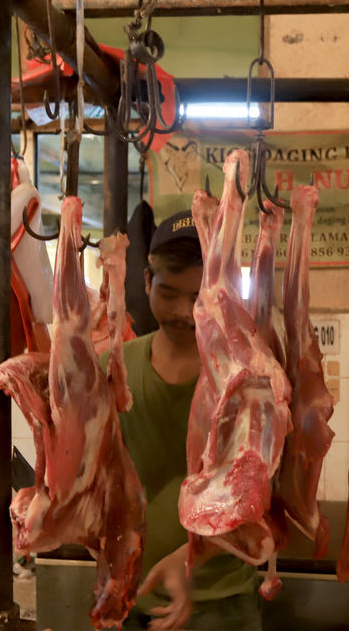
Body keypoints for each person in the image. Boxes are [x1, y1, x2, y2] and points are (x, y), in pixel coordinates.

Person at [101, 209, 261, 631]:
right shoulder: (115, 368)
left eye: (199, 298)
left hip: (222, 606)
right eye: (168, 292)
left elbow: (259, 502)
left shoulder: (243, 377)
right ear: (147, 282)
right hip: (132, 600)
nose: (183, 312)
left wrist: (191, 559)